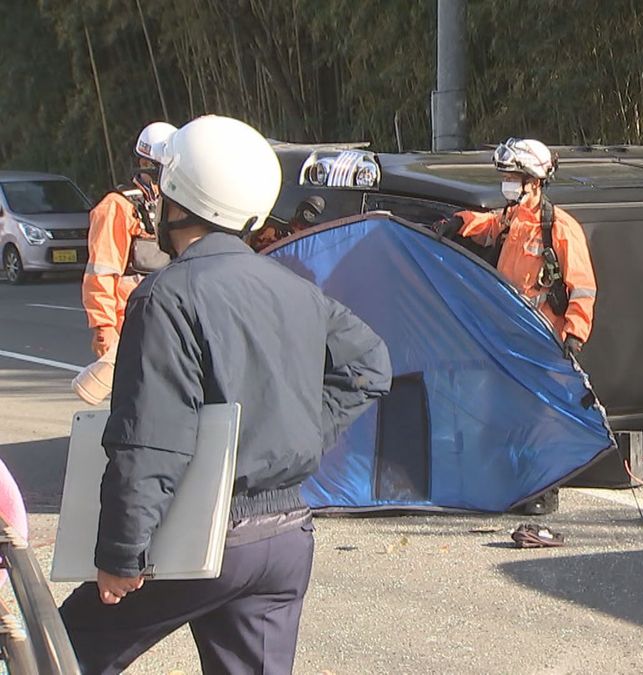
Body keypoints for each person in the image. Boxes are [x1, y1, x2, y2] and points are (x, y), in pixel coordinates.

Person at [59, 115, 392, 674]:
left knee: (54, 652)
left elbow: (151, 439)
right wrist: (304, 431)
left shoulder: (164, 297)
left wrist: (121, 554)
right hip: (285, 536)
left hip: (204, 536)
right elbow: (369, 365)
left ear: (176, 200)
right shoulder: (294, 288)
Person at [436, 138, 597, 356]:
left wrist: (575, 335)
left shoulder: (561, 228)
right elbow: (489, 225)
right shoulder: (513, 217)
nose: (507, 184)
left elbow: (583, 288)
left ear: (534, 182)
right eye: (506, 178)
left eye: (512, 178)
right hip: (506, 335)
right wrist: (460, 222)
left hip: (542, 341)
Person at [82, 122, 176, 358]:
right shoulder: (117, 207)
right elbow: (101, 271)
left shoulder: (178, 206)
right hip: (131, 324)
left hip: (171, 321)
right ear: (144, 164)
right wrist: (104, 328)